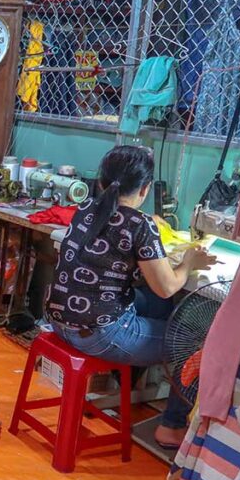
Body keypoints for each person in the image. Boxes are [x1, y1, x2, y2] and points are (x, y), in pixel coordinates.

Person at [46, 145, 216, 448]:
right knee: (195, 343)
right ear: (145, 188)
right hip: (97, 334)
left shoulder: (86, 208)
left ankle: (130, 381)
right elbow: (167, 286)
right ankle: (171, 426)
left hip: (60, 321)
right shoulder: (140, 225)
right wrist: (189, 262)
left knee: (157, 303)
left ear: (101, 182)